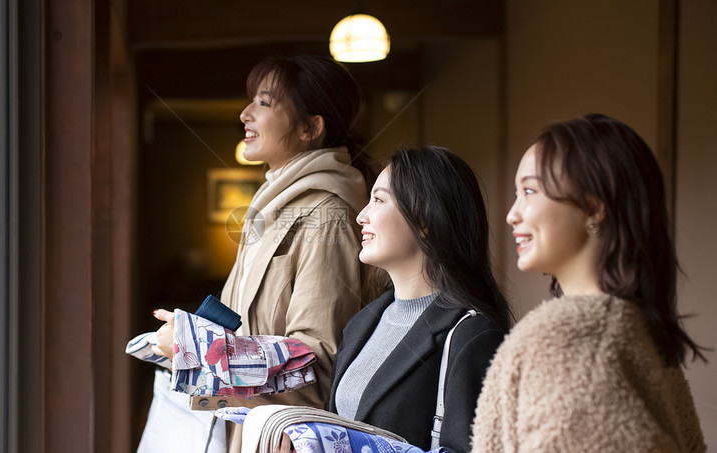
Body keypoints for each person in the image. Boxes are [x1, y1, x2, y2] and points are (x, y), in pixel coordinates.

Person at [140, 55, 374, 453]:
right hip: (248, 430)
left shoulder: (328, 215)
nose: (245, 113)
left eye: (264, 103)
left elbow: (316, 364)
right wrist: (194, 337)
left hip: (281, 440)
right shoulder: (274, 208)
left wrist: (198, 349)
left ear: (310, 127)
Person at [218, 146, 513, 453]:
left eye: (378, 200)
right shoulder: (364, 323)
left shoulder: (472, 335)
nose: (361, 216)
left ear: (425, 218)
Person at [471, 113, 707, 451]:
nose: (512, 214)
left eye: (529, 190)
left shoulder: (572, 340)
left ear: (594, 207)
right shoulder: (633, 331)